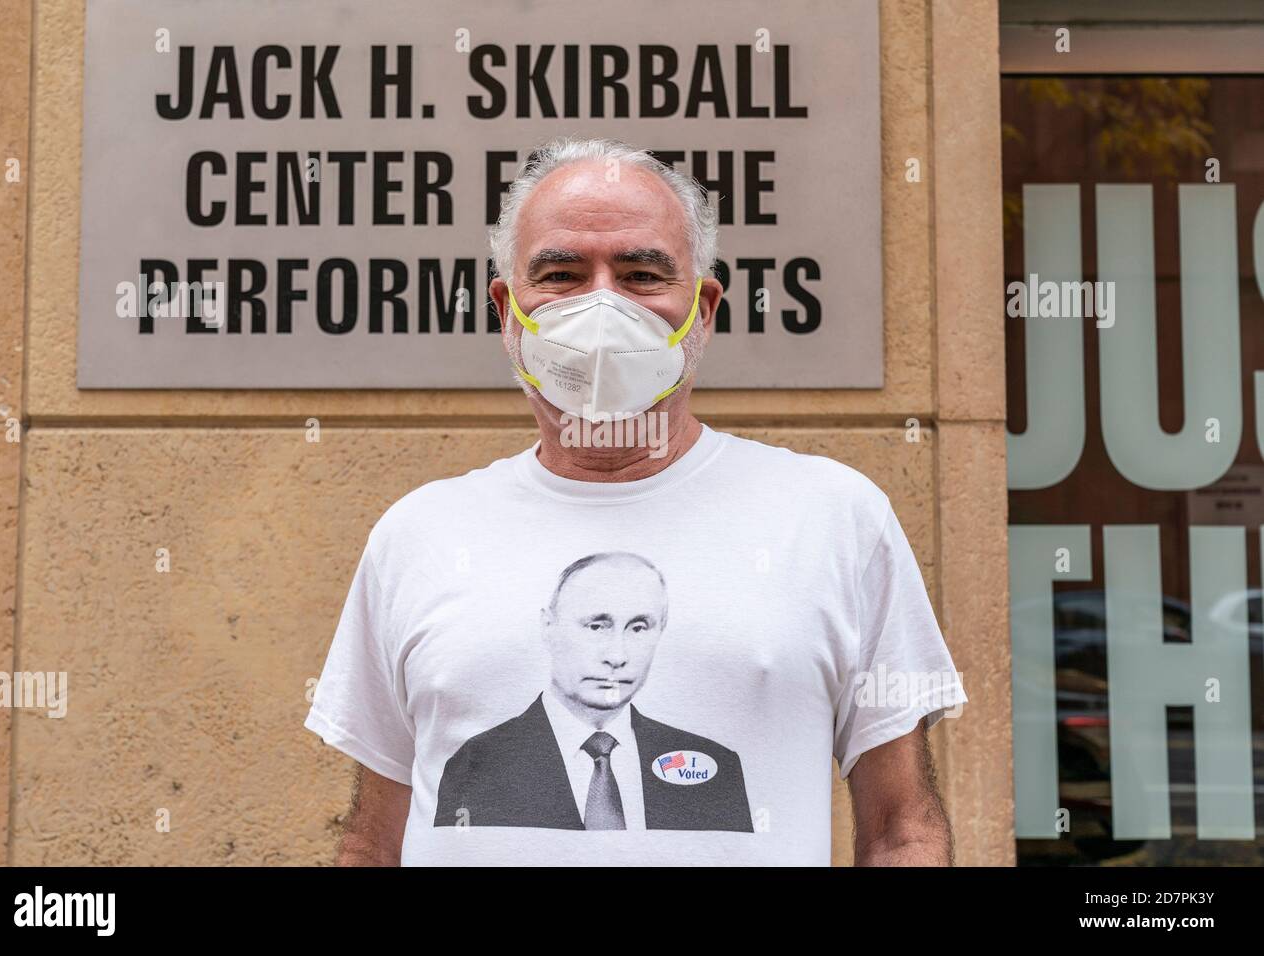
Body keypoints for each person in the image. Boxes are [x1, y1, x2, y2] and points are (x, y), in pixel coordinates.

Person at [305, 136, 967, 866]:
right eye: (560, 274)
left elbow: (902, 829)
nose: (601, 306)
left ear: (704, 310)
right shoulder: (419, 535)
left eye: (642, 273)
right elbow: (374, 841)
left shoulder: (835, 518)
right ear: (506, 311)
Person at [432, 551, 752, 831]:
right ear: (548, 628)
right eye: (597, 626)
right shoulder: (477, 764)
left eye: (639, 627)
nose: (617, 655)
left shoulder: (716, 769)